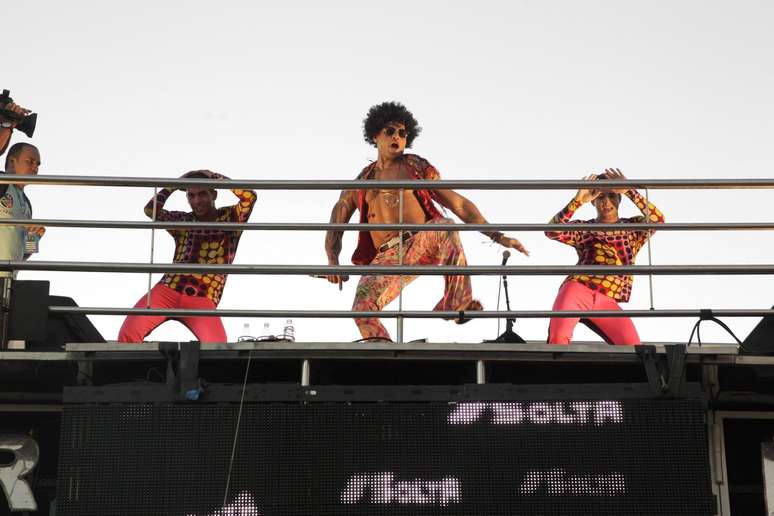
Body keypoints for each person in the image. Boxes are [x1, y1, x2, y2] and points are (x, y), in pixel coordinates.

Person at [324, 101, 529, 341]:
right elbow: (337, 219)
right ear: (374, 135)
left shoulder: (416, 167)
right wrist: (332, 260)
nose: (397, 137)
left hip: (422, 239)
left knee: (445, 226)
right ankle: (380, 350)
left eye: (402, 133)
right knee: (362, 307)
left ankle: (456, 301)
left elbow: (458, 203)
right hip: (387, 255)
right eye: (390, 131)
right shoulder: (361, 182)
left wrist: (497, 235)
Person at [118, 170, 257, 343]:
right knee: (128, 334)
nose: (197, 201)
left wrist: (216, 177)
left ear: (214, 194)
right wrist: (174, 185)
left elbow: (249, 197)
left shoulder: (231, 217)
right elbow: (150, 210)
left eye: (202, 194)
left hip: (203, 296)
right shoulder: (183, 220)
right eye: (191, 196)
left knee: (217, 346)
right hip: (168, 289)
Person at [545, 168, 665, 345]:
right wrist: (577, 201)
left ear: (619, 199)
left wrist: (629, 190)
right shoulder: (585, 228)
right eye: (600, 197)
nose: (606, 202)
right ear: (594, 201)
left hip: (607, 300)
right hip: (578, 289)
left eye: (612, 196)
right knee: (558, 337)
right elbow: (552, 231)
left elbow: (658, 221)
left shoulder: (633, 228)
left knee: (634, 347)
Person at [0, 143, 45, 277]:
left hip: (8, 280)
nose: (35, 167)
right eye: (30, 161)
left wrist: (34, 237)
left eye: (37, 164)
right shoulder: (2, 182)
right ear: (12, 162)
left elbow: (22, 255)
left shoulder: (27, 205)